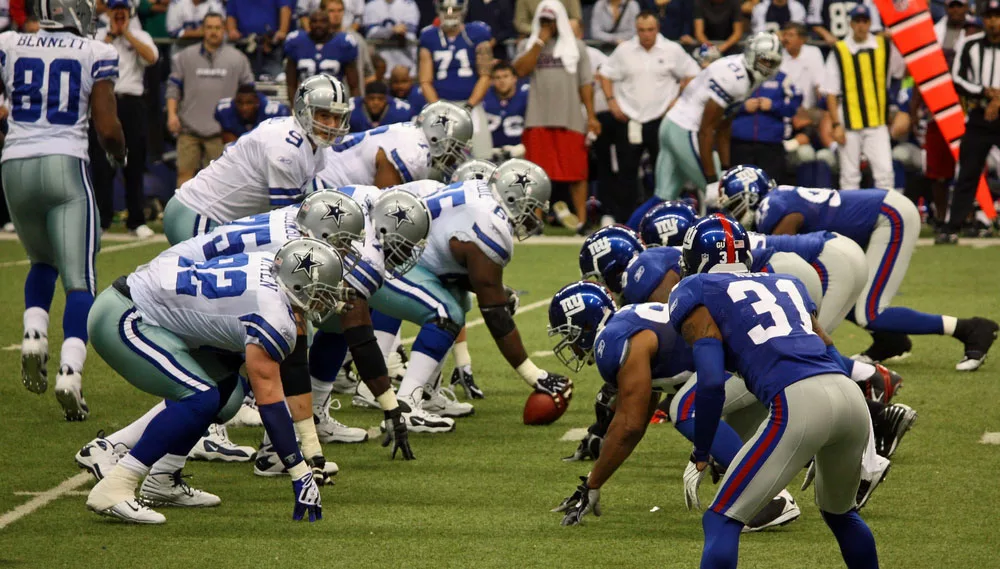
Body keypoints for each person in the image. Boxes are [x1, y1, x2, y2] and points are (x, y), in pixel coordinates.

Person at [665, 215, 880, 568]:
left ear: (699, 259)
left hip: (798, 403)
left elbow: (711, 381)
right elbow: (828, 347)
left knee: (720, 519)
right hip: (848, 397)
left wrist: (702, 452)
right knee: (842, 515)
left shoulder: (696, 290)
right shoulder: (787, 283)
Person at [83, 238, 345, 523]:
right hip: (126, 316)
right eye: (321, 292)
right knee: (201, 397)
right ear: (298, 285)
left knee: (225, 394)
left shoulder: (269, 267)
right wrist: (300, 472)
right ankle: (117, 484)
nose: (325, 301)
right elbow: (270, 405)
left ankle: (163, 479)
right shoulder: (275, 318)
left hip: (143, 305)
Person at [2, 0, 126, 421]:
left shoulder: (10, 43)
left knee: (41, 260)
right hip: (65, 164)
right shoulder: (96, 51)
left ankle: (33, 334)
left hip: (14, 164)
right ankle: (70, 373)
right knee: (80, 279)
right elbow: (107, 127)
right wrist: (120, 154)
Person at [751, 183, 1000, 370]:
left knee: (869, 312)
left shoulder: (774, 208)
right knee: (838, 290)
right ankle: (889, 340)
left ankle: (970, 328)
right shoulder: (780, 197)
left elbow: (788, 265)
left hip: (888, 216)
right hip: (880, 215)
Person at [163, 75, 350, 244]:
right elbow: (284, 220)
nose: (332, 125)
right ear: (304, 110)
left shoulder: (314, 147)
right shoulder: (286, 149)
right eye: (324, 116)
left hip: (211, 215)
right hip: (199, 214)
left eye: (337, 117)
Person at [632, 32, 781, 227]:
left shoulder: (743, 71)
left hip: (672, 125)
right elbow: (706, 129)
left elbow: (725, 124)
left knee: (663, 197)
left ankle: (628, 231)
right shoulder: (736, 79)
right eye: (764, 60)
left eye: (772, 62)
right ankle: (712, 246)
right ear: (753, 55)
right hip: (686, 130)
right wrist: (712, 179)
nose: (767, 67)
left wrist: (725, 168)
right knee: (723, 194)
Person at [600, 11, 699, 222]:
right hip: (629, 120)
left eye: (650, 30)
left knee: (664, 173)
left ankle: (666, 220)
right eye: (642, 30)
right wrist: (611, 101)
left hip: (661, 121)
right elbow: (605, 74)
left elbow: (693, 73)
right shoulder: (624, 50)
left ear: (658, 29)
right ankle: (624, 222)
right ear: (636, 30)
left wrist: (679, 100)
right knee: (626, 175)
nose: (646, 34)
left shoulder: (673, 50)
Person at [514, 0, 600, 234]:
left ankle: (582, 222)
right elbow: (520, 70)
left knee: (577, 173)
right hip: (538, 118)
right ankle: (536, 222)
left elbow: (585, 84)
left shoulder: (577, 48)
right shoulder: (529, 45)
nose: (548, 25)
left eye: (551, 21)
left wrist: (591, 116)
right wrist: (540, 39)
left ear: (560, 20)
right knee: (536, 174)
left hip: (570, 117)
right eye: (543, 20)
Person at [90, 0, 158, 240]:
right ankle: (102, 219)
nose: (119, 15)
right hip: (103, 102)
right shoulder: (97, 36)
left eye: (123, 11)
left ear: (129, 12)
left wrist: (126, 34)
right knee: (100, 164)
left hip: (132, 103)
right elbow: (89, 60)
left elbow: (151, 58)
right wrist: (111, 34)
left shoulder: (140, 35)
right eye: (114, 11)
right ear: (108, 12)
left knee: (135, 163)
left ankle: (136, 220)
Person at [823, 4, 905, 190]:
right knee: (849, 176)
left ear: (870, 23)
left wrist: (897, 41)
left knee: (885, 173)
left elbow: (901, 72)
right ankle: (849, 218)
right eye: (857, 21)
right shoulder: (840, 50)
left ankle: (887, 216)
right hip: (849, 121)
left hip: (877, 121)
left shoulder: (884, 45)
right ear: (850, 24)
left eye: (864, 21)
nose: (861, 26)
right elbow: (831, 92)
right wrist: (836, 125)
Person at [166, 13, 254, 186]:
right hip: (189, 130)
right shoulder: (185, 56)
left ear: (224, 30)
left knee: (219, 183)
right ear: (203, 30)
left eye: (218, 27)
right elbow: (173, 88)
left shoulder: (238, 58)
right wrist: (171, 115)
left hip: (222, 132)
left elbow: (250, 93)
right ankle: (185, 213)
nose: (213, 32)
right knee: (184, 179)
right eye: (209, 27)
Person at [940, 0, 1000, 244]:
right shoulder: (970, 44)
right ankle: (952, 227)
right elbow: (957, 79)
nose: (993, 21)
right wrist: (984, 93)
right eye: (988, 17)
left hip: (993, 109)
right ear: (982, 19)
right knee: (968, 172)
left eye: (997, 16)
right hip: (980, 115)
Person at [316, 102, 470, 188]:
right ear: (437, 138)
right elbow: (382, 203)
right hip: (322, 183)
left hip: (323, 170)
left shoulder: (411, 132)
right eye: (455, 147)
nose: (454, 156)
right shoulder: (415, 153)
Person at [418, 0, 493, 157]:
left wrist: (469, 107)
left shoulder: (477, 33)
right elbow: (425, 81)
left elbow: (485, 75)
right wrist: (438, 108)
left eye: (455, 8)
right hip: (440, 106)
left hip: (471, 106)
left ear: (463, 10)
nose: (450, 13)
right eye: (445, 9)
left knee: (482, 155)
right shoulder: (429, 36)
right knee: (437, 159)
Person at [730, 69, 802, 183]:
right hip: (740, 143)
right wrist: (742, 107)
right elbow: (721, 106)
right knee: (739, 185)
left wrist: (773, 106)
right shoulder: (737, 76)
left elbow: (793, 107)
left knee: (771, 184)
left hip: (771, 144)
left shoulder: (782, 78)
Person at [284, 8, 360, 99]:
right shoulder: (296, 41)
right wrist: (294, 107)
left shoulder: (343, 43)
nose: (318, 25)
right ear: (309, 23)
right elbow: (291, 84)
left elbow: (354, 85)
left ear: (329, 23)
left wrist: (354, 107)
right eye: (314, 21)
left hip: (334, 101)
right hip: (305, 101)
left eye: (323, 21)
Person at [225, 0, 291, 77]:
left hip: (270, 47)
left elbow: (285, 8)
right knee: (244, 81)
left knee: (277, 79)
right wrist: (232, 31)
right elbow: (230, 16)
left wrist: (282, 30)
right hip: (245, 47)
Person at [482, 61, 529, 160]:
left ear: (514, 78)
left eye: (505, 76)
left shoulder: (526, 95)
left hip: (520, 154)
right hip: (490, 155)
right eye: (497, 78)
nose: (502, 81)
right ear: (492, 81)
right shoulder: (483, 96)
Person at [215, 84, 292, 143]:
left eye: (249, 103)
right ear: (234, 102)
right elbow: (227, 139)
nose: (244, 107)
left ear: (257, 102)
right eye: (239, 103)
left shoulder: (271, 111)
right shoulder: (226, 110)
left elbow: (276, 140)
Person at [363, 0, 420, 75]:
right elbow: (370, 33)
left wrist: (384, 32)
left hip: (406, 61)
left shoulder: (409, 4)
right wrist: (391, 30)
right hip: (381, 64)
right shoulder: (371, 5)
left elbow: (410, 30)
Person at [347, 81, 413, 132]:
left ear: (386, 100)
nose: (376, 102)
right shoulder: (351, 110)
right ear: (365, 99)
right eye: (371, 98)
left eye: (380, 99)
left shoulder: (400, 112)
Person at [807, 0, 880, 44]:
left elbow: (873, 24)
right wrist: (827, 35)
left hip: (857, 43)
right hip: (831, 46)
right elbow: (813, 21)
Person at [514, 0, 582, 35]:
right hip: (535, 38)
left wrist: (558, 29)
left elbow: (576, 19)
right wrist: (540, 31)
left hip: (565, 36)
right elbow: (520, 23)